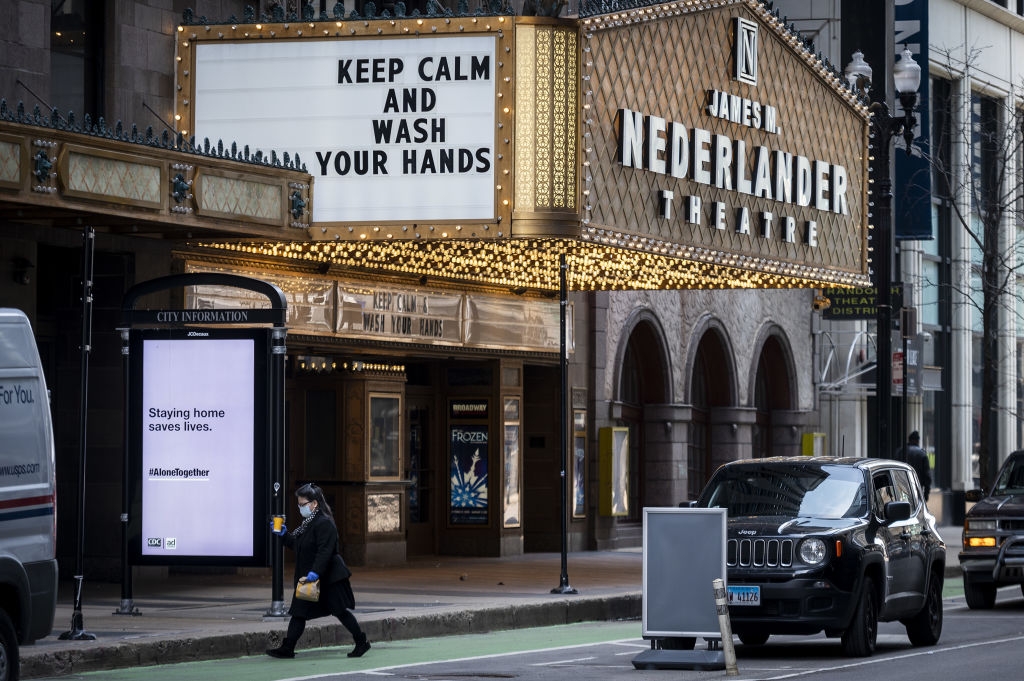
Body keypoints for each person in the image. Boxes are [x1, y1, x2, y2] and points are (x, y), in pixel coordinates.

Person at [266, 482, 370, 659]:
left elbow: (325, 551)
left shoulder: (323, 523)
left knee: (340, 611)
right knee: (299, 611)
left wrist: (315, 572)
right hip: (313, 576)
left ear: (314, 504)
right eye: (298, 504)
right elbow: (300, 546)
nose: (300, 508)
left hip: (329, 578)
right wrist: (284, 536)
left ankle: (361, 642)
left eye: (303, 504)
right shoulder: (308, 523)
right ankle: (288, 647)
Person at [903, 431, 932, 501]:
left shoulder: (900, 451)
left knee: (904, 504)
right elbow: (927, 476)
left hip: (902, 489)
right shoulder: (922, 454)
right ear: (917, 441)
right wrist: (926, 493)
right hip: (916, 489)